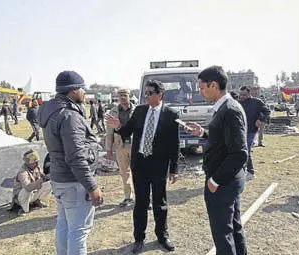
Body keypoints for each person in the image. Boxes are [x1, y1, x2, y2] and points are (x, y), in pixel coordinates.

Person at [106, 80, 179, 254]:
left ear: (160, 94)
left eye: (149, 93)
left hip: (159, 165)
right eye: (145, 93)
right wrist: (118, 127)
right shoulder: (139, 111)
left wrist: (174, 169)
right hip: (140, 164)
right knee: (141, 202)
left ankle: (162, 236)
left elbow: (174, 144)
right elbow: (126, 132)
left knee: (159, 203)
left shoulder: (170, 114)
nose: (146, 96)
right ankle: (139, 238)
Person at [185, 66, 248, 255]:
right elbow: (223, 141)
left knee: (223, 235)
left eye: (202, 87)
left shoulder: (229, 110)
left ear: (214, 85)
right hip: (227, 180)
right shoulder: (223, 108)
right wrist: (202, 133)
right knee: (233, 228)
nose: (199, 92)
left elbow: (239, 153)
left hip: (223, 182)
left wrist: (215, 181)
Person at [38, 70, 103, 255]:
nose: (83, 92)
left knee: (65, 224)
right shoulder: (69, 116)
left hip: (60, 179)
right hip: (75, 182)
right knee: (79, 231)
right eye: (82, 88)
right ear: (73, 90)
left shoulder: (52, 111)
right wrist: (92, 186)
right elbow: (75, 157)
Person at [105, 88, 136, 207]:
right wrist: (108, 150)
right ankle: (128, 197)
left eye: (125, 95)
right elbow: (109, 133)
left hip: (135, 146)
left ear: (129, 96)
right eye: (120, 96)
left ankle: (143, 198)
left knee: (139, 173)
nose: (122, 98)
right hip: (120, 146)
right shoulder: (112, 112)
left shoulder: (137, 110)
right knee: (124, 173)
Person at [239, 86, 270, 180]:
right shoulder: (239, 102)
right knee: (240, 151)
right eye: (240, 95)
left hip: (251, 130)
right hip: (240, 130)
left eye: (244, 95)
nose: (242, 96)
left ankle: (251, 172)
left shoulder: (257, 102)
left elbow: (267, 111)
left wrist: (260, 119)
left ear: (249, 93)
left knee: (247, 150)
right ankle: (242, 170)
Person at [10, 150, 51, 216]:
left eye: (36, 162)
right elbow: (27, 187)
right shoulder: (22, 172)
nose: (36, 164)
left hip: (33, 193)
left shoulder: (37, 168)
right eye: (33, 163)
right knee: (26, 190)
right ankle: (22, 208)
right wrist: (41, 181)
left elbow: (44, 177)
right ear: (27, 163)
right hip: (21, 197)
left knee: (50, 183)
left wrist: (47, 177)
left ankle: (37, 201)